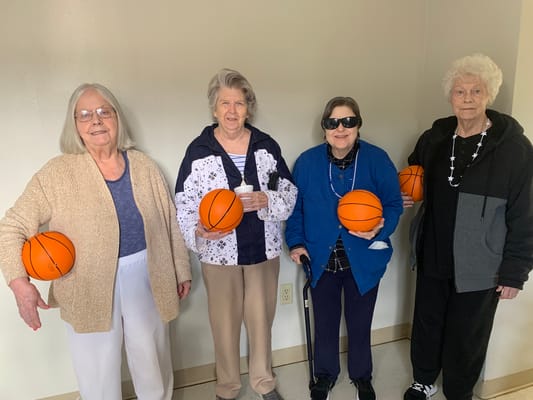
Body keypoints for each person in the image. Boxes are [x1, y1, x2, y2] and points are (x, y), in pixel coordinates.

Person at [0, 83, 192, 400]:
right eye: (85, 114)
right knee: (97, 373)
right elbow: (12, 226)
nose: (96, 120)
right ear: (74, 124)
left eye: (105, 111)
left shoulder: (144, 166)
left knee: (152, 364)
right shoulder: (57, 173)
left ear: (117, 118)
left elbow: (169, 220)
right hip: (85, 284)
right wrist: (20, 284)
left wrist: (181, 269)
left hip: (148, 275)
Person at [402, 54, 533, 400]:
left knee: (468, 330)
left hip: (481, 260)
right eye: (461, 91)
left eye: (477, 90)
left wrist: (514, 272)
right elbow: (412, 175)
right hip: (433, 250)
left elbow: (526, 213)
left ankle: (459, 389)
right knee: (428, 321)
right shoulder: (435, 138)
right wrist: (404, 195)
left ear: (489, 95)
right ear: (451, 97)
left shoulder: (515, 149)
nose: (469, 98)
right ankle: (424, 379)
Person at [175, 68, 297, 400]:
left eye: (239, 103)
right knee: (224, 326)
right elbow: (183, 205)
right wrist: (198, 231)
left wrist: (266, 198)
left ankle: (263, 382)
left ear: (249, 108)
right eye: (225, 103)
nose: (232, 111)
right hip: (219, 255)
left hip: (262, 251)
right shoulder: (198, 151)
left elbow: (288, 193)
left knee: (261, 322)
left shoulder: (266, 147)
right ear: (214, 109)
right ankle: (227, 387)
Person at [285, 96, 403, 400]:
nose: (341, 128)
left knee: (360, 323)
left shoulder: (377, 160)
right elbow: (295, 209)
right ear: (324, 128)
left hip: (364, 260)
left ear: (358, 125)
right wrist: (296, 242)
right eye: (333, 122)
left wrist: (382, 226)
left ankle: (362, 375)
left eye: (348, 121)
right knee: (324, 323)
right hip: (321, 259)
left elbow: (393, 205)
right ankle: (325, 375)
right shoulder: (308, 162)